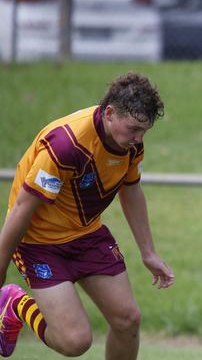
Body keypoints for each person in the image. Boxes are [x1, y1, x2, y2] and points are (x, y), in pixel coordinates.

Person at [0, 72, 175, 359]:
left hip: (86, 235)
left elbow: (131, 190)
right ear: (109, 113)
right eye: (133, 129)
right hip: (39, 243)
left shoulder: (129, 145)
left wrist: (148, 252)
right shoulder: (67, 144)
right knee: (75, 342)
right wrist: (1, 263)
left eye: (144, 131)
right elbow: (22, 208)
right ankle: (14, 304)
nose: (138, 139)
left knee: (128, 319)